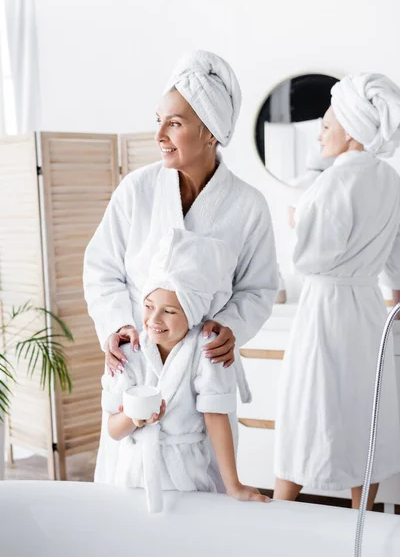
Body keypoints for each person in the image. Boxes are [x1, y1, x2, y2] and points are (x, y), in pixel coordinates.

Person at [83, 50, 279, 484]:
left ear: (210, 132)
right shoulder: (137, 190)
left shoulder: (247, 206)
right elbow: (101, 268)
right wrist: (117, 326)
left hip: (201, 375)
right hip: (137, 367)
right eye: (159, 120)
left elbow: (259, 288)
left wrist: (227, 327)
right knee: (125, 497)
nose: (159, 134)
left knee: (201, 497)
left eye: (174, 123)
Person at [274, 73, 400, 510]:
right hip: (367, 310)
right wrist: (394, 299)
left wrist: (296, 223)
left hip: (325, 309)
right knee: (366, 408)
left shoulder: (332, 182)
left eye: (326, 125)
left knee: (306, 405)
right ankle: (361, 516)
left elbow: (308, 259)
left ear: (350, 131)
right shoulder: (390, 180)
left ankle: (283, 509)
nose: (320, 135)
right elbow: (397, 259)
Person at [101, 228, 269, 512]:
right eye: (148, 306)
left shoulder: (205, 349)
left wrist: (233, 485)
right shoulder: (128, 351)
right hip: (134, 480)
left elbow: (215, 415)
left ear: (192, 313)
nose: (154, 319)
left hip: (188, 478)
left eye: (169, 311)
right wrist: (134, 417)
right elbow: (114, 431)